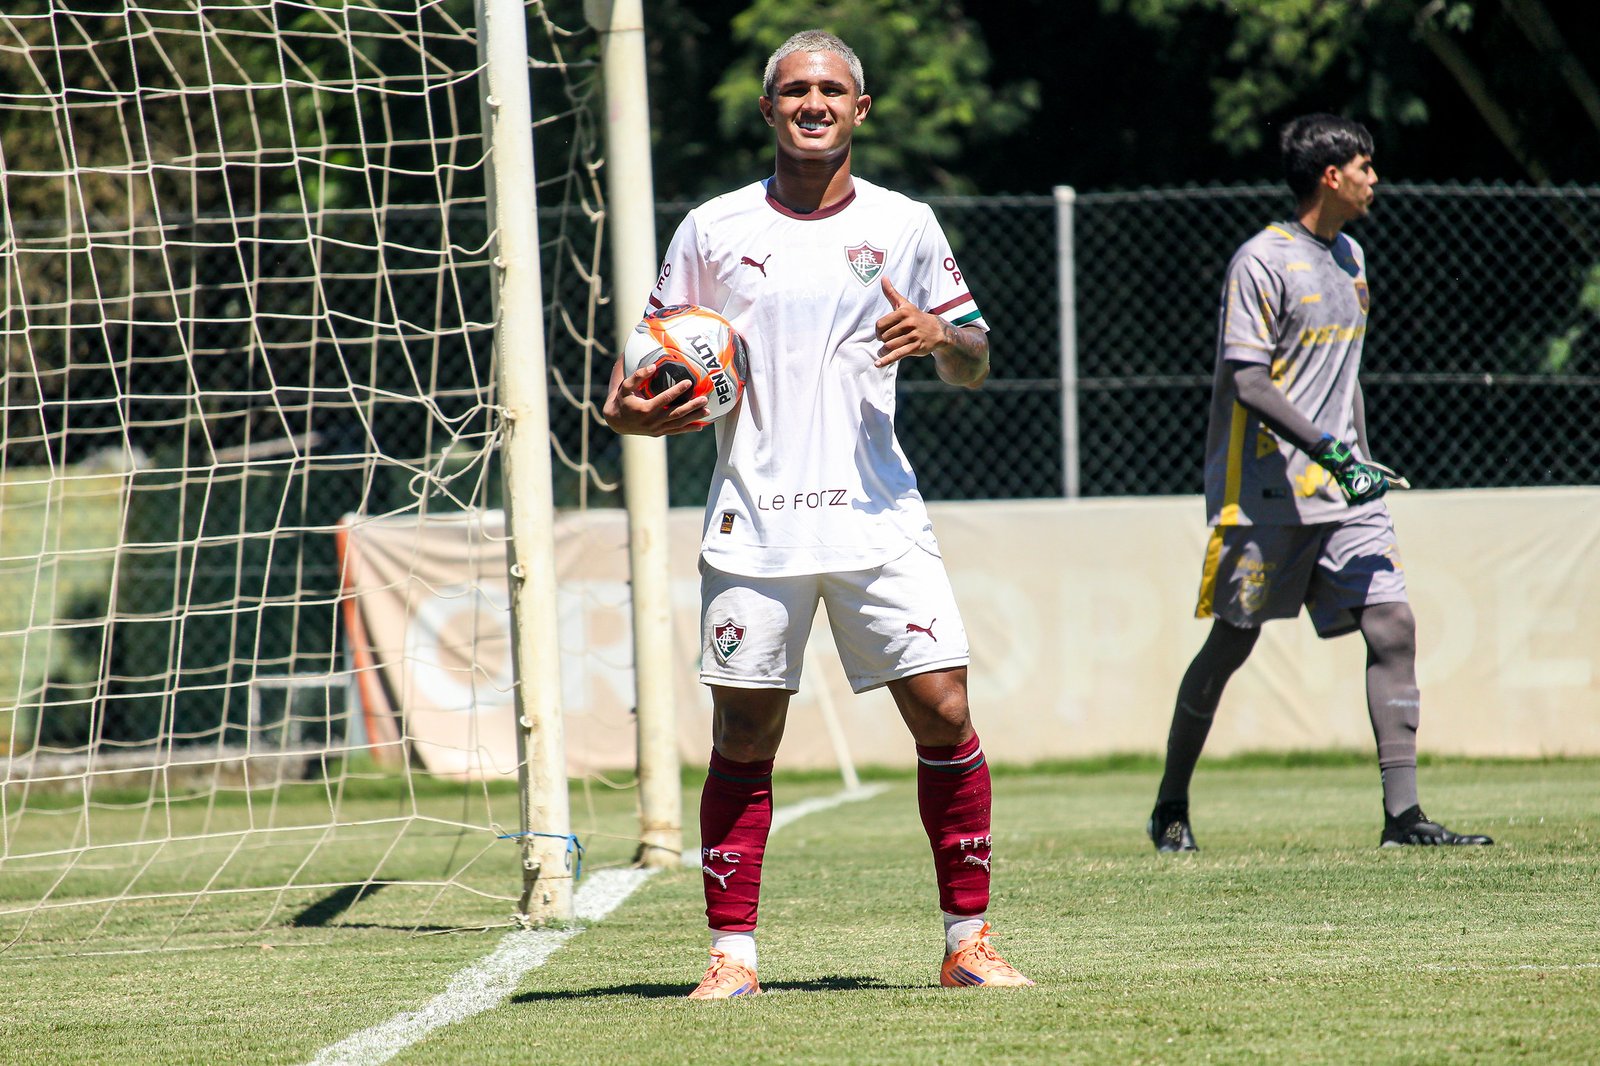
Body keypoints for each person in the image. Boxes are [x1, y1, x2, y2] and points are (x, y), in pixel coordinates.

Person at [603, 29, 1032, 998]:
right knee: (746, 734)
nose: (812, 103)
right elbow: (642, 376)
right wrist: (627, 409)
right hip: (754, 525)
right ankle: (732, 957)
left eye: (830, 90)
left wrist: (939, 336)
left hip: (878, 517)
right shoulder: (711, 230)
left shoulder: (907, 223)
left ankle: (968, 942)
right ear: (768, 111)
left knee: (945, 709)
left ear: (859, 109)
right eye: (793, 90)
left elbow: (975, 360)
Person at [1146, 113, 1493, 854]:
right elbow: (1247, 381)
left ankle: (1403, 817)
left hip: (1346, 494)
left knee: (1393, 628)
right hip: (1265, 494)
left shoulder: (1352, 257)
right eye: (1367, 166)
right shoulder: (1261, 261)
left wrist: (1358, 455)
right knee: (1231, 645)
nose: (1376, 179)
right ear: (1331, 176)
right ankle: (1171, 804)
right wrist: (1334, 451)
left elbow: (1344, 376)